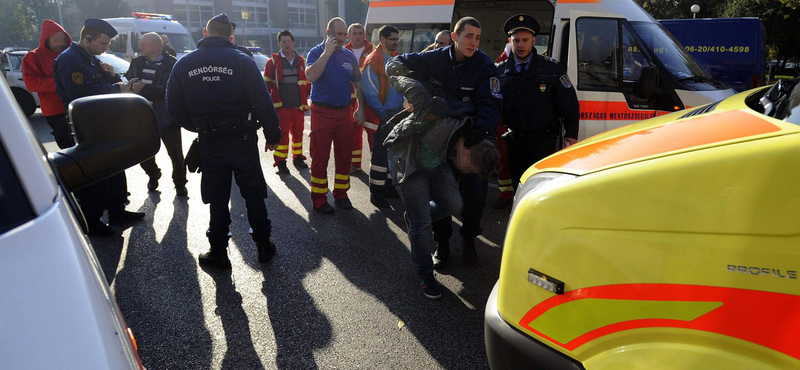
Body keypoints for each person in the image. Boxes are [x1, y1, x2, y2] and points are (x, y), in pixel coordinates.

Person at [387, 16, 501, 294]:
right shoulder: (434, 59)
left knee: (470, 198)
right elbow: (395, 64)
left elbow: (490, 103)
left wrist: (478, 132)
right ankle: (441, 245)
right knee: (434, 206)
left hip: (464, 139)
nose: (473, 42)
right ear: (454, 36)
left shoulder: (484, 66)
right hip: (429, 142)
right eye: (468, 36)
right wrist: (412, 90)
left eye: (478, 37)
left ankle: (470, 240)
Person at [166, 13, 282, 269]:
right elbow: (263, 102)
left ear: (205, 34)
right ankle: (264, 246)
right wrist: (274, 136)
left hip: (210, 142)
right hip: (242, 140)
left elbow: (173, 105)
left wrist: (198, 126)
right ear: (231, 36)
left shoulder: (184, 64)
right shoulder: (242, 61)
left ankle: (218, 252)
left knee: (217, 197)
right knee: (253, 194)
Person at [54, 18, 144, 237]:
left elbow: (97, 85)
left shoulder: (89, 58)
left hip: (103, 121)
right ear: (87, 38)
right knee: (94, 173)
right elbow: (80, 94)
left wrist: (111, 75)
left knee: (114, 165)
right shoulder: (70, 60)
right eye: (104, 43)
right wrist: (116, 87)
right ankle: (91, 221)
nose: (106, 48)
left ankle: (117, 210)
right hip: (86, 124)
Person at [497, 14, 579, 191]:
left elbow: (569, 102)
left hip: (543, 142)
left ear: (534, 40)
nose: (521, 45)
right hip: (515, 142)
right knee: (519, 188)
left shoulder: (551, 68)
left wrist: (571, 133)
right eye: (516, 40)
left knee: (542, 188)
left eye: (525, 40)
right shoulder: (500, 71)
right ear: (509, 41)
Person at [305, 17, 366, 214]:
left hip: (344, 112)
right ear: (327, 32)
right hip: (321, 112)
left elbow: (358, 84)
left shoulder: (349, 57)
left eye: (343, 35)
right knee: (320, 155)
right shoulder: (316, 52)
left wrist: (361, 108)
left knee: (344, 154)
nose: (341, 38)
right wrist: (327, 53)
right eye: (337, 34)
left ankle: (341, 193)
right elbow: (311, 76)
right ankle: (320, 197)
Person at [124, 32, 187, 196]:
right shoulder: (137, 63)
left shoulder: (172, 64)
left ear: (156, 47)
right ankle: (153, 174)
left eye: (143, 43)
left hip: (166, 117)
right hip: (141, 116)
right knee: (142, 152)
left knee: (175, 153)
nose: (139, 46)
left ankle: (180, 183)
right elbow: (128, 81)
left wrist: (145, 88)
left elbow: (169, 91)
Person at [361, 25, 403, 208]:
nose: (396, 42)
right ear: (383, 39)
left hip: (395, 115)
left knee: (391, 154)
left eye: (397, 38)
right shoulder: (373, 61)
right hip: (384, 116)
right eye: (393, 39)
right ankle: (376, 193)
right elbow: (370, 93)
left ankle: (387, 187)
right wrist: (384, 115)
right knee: (379, 156)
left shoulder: (395, 58)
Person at [263, 29, 310, 173]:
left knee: (298, 133)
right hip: (281, 106)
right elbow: (267, 83)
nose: (286, 44)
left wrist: (305, 97)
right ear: (279, 44)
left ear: (293, 43)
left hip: (298, 104)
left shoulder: (301, 60)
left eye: (289, 41)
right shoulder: (273, 62)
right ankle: (281, 161)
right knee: (282, 134)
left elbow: (308, 81)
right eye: (283, 42)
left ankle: (298, 157)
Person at [23, 19, 74, 149]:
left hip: (76, 106)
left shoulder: (71, 54)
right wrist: (61, 83)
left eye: (63, 39)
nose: (60, 44)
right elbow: (31, 83)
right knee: (67, 145)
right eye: (55, 40)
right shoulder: (33, 57)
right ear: (46, 39)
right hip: (55, 111)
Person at [344, 23, 374, 174]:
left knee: (372, 132)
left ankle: (377, 163)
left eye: (360, 33)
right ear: (348, 36)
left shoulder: (373, 50)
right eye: (354, 33)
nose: (357, 36)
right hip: (348, 100)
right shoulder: (343, 51)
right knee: (352, 132)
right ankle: (355, 164)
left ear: (364, 35)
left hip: (370, 100)